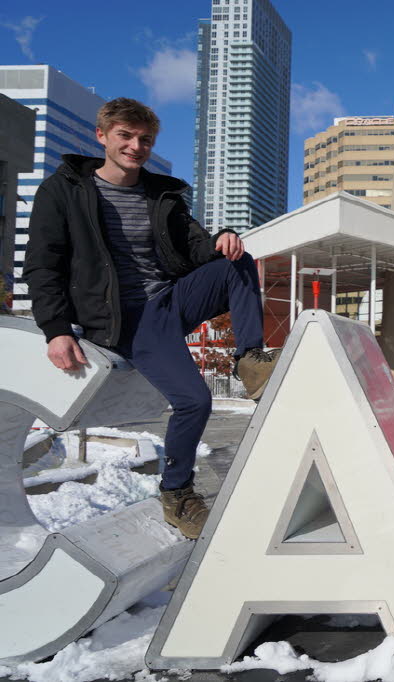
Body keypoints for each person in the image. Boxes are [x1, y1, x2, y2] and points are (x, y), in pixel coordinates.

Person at [24, 98, 279, 540]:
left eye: (144, 139)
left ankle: (250, 361)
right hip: (125, 317)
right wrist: (56, 329)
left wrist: (220, 239)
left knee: (237, 260)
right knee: (194, 400)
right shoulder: (64, 190)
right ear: (102, 136)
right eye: (125, 136)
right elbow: (43, 264)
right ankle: (176, 492)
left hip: (170, 300)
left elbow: (194, 246)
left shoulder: (160, 194)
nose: (135, 146)